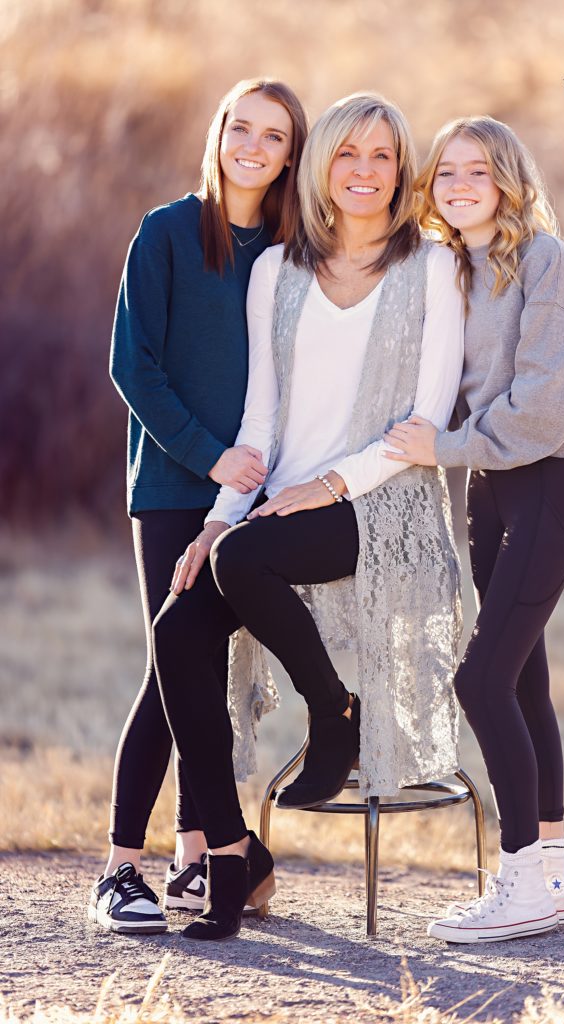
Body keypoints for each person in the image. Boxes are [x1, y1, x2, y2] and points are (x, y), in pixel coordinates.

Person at [152, 92, 465, 941]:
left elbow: (422, 427)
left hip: (382, 503)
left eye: (382, 156)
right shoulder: (276, 272)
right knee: (177, 626)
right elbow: (260, 423)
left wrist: (331, 484)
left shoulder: (430, 267)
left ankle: (334, 714)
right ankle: (227, 853)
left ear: (401, 171)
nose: (364, 172)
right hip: (274, 513)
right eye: (347, 155)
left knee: (244, 562)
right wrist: (218, 519)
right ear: (320, 166)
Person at [384, 115, 564, 944]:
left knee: (478, 680)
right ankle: (549, 875)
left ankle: (518, 879)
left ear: (508, 180)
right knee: (521, 683)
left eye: (475, 172)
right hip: (489, 488)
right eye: (444, 172)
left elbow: (553, 401)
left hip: (553, 480)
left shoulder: (544, 262)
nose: (457, 185)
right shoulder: (450, 267)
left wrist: (442, 446)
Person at [88, 79, 308, 935]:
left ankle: (192, 863)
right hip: (177, 485)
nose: (253, 146)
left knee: (197, 671)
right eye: (240, 128)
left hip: (252, 495)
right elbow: (133, 368)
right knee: (170, 665)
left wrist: (259, 478)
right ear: (219, 135)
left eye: (274, 135)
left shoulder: (292, 252)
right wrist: (210, 455)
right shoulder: (167, 232)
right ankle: (119, 869)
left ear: (291, 154)